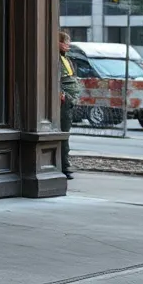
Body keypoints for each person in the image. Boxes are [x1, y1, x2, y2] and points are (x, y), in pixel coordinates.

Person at [59, 30, 81, 180]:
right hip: (64, 101)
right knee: (63, 134)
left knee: (65, 133)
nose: (68, 45)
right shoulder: (55, 59)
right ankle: (64, 167)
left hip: (70, 101)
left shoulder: (67, 59)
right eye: (65, 42)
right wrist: (63, 95)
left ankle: (64, 165)